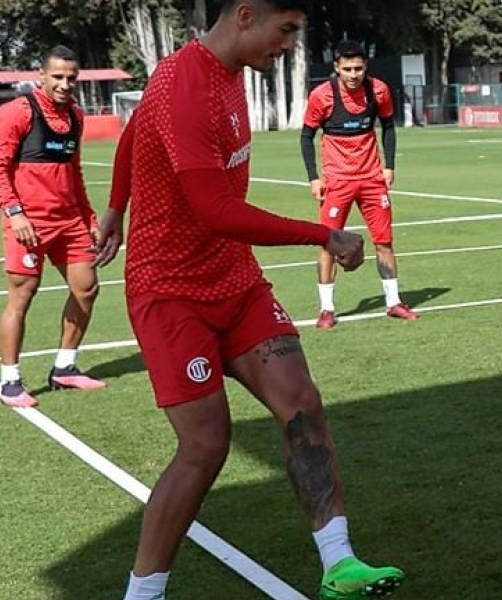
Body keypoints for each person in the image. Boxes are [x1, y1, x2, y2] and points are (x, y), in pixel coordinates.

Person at [94, 2, 404, 598]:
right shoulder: (183, 84)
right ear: (244, 16)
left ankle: (339, 564)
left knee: (302, 404)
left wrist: (113, 207)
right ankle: (143, 593)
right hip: (170, 291)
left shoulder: (226, 72)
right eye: (284, 30)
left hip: (233, 279)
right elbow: (215, 210)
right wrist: (322, 233)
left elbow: (135, 133)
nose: (289, 45)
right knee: (206, 445)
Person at [0, 45, 105, 408]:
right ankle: (10, 382)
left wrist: (90, 218)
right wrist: (14, 213)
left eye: (71, 78)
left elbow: (74, 173)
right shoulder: (17, 112)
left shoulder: (76, 117)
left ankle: (64, 368)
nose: (65, 84)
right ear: (42, 75)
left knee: (87, 288)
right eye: (58, 77)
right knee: (22, 295)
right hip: (29, 223)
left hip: (70, 221)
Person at [301, 39, 415, 329]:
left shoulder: (378, 90)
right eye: (348, 69)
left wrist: (389, 166)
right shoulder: (321, 96)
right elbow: (306, 136)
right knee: (328, 243)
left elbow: (388, 126)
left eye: (359, 68)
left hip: (372, 180)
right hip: (337, 182)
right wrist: (314, 177)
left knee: (384, 242)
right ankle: (327, 309)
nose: (354, 74)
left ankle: (393, 303)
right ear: (336, 68)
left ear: (366, 67)